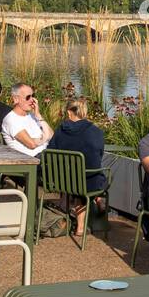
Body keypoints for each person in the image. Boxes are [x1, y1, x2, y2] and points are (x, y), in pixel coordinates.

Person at [54, 97, 107, 237]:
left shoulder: (60, 130)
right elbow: (99, 154)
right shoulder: (96, 131)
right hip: (89, 180)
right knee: (93, 177)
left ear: (69, 112)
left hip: (63, 181)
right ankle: (98, 198)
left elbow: (50, 150)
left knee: (77, 181)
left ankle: (80, 226)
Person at [0, 82, 52, 157]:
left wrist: (38, 115)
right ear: (16, 99)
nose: (32, 100)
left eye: (33, 96)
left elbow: (52, 135)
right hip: (32, 160)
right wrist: (45, 137)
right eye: (28, 97)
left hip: (46, 155)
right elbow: (31, 144)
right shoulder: (11, 119)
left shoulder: (32, 115)